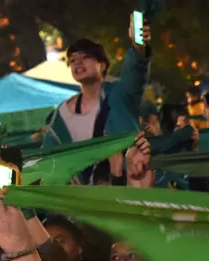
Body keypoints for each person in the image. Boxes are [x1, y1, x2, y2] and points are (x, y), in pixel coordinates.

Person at [40, 24, 151, 181]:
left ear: (103, 64)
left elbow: (135, 73)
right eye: (72, 60)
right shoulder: (60, 116)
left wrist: (139, 47)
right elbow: (45, 160)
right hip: (89, 199)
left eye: (85, 57)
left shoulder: (119, 94)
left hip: (130, 187)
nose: (78, 63)